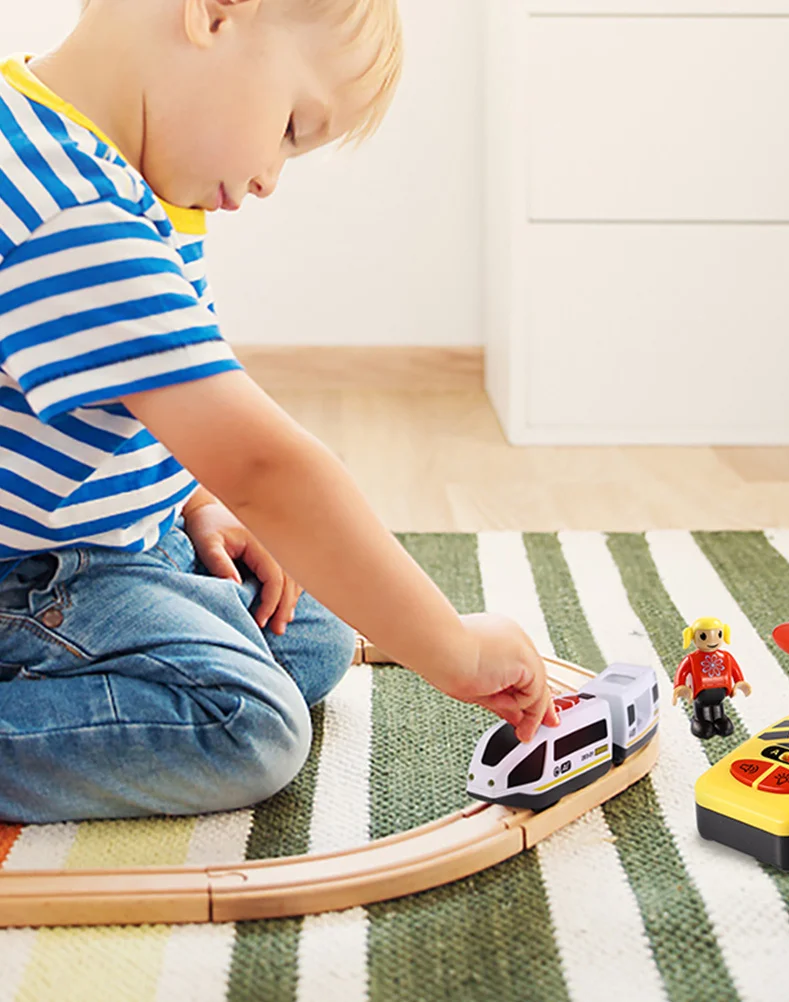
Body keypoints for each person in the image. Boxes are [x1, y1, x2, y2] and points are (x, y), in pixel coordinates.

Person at [0, 0, 557, 825]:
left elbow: (109, 403)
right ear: (216, 14)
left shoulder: (93, 162)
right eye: (293, 126)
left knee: (310, 630)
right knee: (249, 726)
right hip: (32, 578)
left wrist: (193, 503)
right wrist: (454, 648)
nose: (270, 178)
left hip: (88, 538)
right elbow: (267, 469)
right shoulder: (70, 209)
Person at [672, 617, 751, 739]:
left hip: (720, 692)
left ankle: (720, 719)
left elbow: (734, 669)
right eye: (704, 636)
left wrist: (739, 681)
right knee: (702, 708)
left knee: (717, 707)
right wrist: (680, 686)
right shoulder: (692, 659)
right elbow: (681, 672)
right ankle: (700, 721)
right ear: (692, 636)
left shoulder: (725, 657)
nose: (712, 640)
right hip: (701, 692)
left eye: (718, 634)